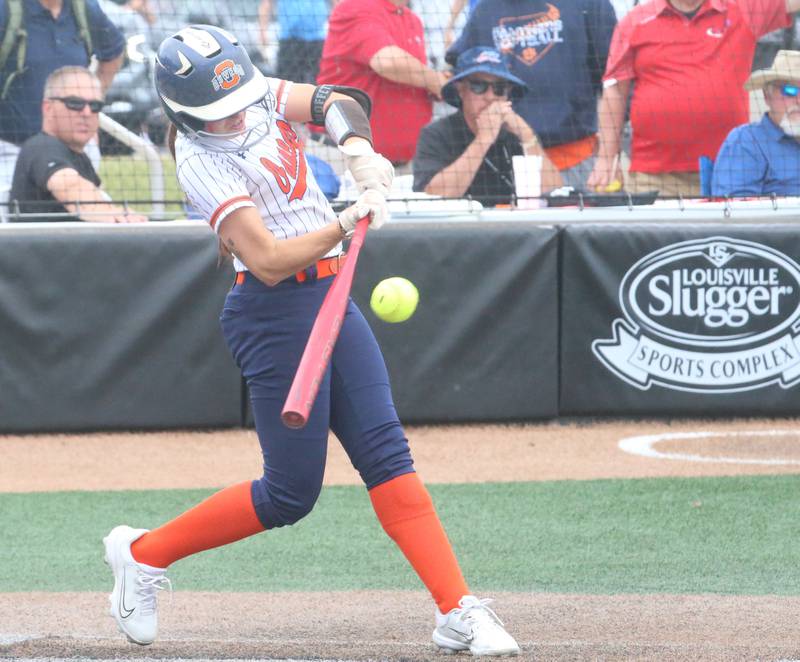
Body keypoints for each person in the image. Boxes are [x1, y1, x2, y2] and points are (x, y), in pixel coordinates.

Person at [102, 24, 520, 658]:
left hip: (330, 298)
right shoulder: (200, 159)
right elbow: (267, 259)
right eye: (218, 113)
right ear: (182, 110)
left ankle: (458, 609)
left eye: (238, 101)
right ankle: (141, 554)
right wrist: (348, 218)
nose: (234, 117)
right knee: (290, 495)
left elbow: (332, 100)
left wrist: (356, 148)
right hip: (270, 314)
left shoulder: (253, 94)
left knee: (387, 455)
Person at [588, 0, 800, 198]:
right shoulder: (635, 21)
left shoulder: (743, 9)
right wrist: (606, 158)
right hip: (655, 176)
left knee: (729, 238)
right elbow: (614, 89)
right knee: (659, 239)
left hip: (732, 172)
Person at [447, 0, 618, 192]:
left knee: (585, 221)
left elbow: (615, 81)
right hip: (511, 164)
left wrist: (608, 154)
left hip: (579, 161)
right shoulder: (486, 9)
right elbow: (461, 76)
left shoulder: (589, 4)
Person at [0, 0, 125, 189]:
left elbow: (114, 53)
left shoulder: (85, 8)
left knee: (90, 213)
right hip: (11, 152)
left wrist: (88, 106)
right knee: (13, 216)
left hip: (75, 152)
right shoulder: (5, 9)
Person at [413, 46, 562, 206]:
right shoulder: (436, 134)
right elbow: (432, 197)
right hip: (457, 228)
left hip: (512, 226)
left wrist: (527, 135)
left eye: (499, 88)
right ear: (460, 90)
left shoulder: (516, 133)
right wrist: (484, 139)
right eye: (478, 86)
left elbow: (553, 190)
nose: (490, 96)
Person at [316, 0, 448, 166]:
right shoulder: (356, 6)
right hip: (348, 158)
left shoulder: (412, 19)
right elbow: (387, 62)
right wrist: (438, 82)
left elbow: (413, 75)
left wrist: (437, 85)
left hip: (400, 162)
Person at [9, 66, 147, 222]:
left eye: (95, 105)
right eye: (74, 103)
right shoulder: (41, 147)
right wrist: (119, 217)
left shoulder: (79, 157)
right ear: (48, 108)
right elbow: (71, 187)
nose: (87, 113)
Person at [712, 50, 800, 197]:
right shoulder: (745, 141)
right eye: (790, 90)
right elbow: (735, 213)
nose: (799, 100)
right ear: (767, 96)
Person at [258, 0, 331, 84]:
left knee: (321, 84)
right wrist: (262, 31)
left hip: (318, 40)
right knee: (287, 85)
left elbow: (337, 2)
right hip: (290, 41)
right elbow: (267, 3)